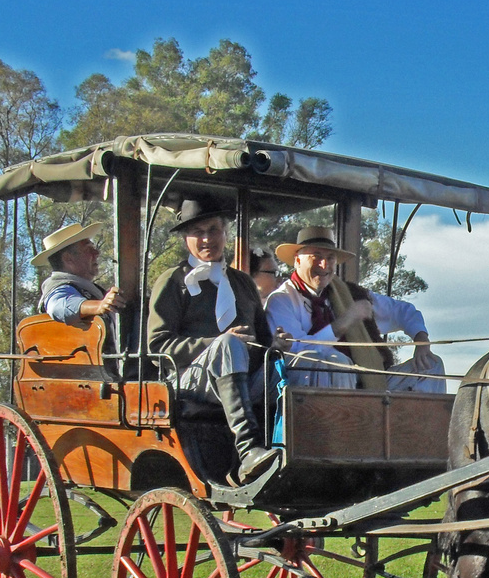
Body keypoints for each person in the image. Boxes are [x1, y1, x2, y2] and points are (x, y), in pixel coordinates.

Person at [146, 198, 287, 486]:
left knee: (293, 366)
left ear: (225, 233)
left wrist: (275, 347)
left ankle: (292, 449)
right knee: (228, 345)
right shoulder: (172, 282)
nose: (207, 239)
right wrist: (215, 343)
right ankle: (248, 451)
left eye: (213, 230)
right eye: (198, 232)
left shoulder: (243, 283)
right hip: (189, 381)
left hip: (243, 378)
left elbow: (259, 341)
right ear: (187, 240)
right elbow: (157, 346)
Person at [264, 225, 446, 394]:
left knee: (431, 364)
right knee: (336, 362)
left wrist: (421, 339)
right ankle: (349, 426)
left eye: (330, 258)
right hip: (307, 388)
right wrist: (344, 322)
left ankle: (423, 427)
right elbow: (297, 350)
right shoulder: (282, 300)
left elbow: (404, 311)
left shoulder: (349, 294)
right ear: (297, 261)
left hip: (369, 381)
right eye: (316, 257)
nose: (324, 265)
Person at [34, 222, 125, 328]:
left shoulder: (88, 289)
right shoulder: (59, 288)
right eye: (88, 249)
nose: (96, 253)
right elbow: (58, 306)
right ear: (68, 258)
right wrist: (100, 305)